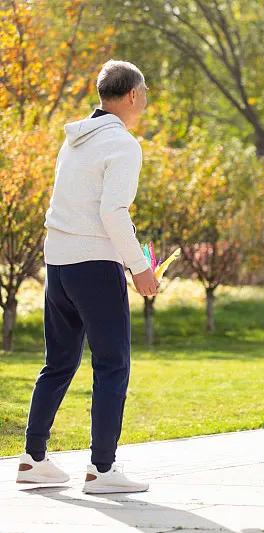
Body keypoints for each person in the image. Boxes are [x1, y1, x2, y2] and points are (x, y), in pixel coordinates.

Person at [17, 60, 157, 494]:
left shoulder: (75, 139)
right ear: (132, 95)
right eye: (145, 90)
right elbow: (112, 212)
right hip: (95, 265)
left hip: (58, 263)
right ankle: (102, 469)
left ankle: (32, 459)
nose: (146, 97)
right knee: (112, 363)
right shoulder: (123, 144)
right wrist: (140, 267)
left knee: (58, 363)